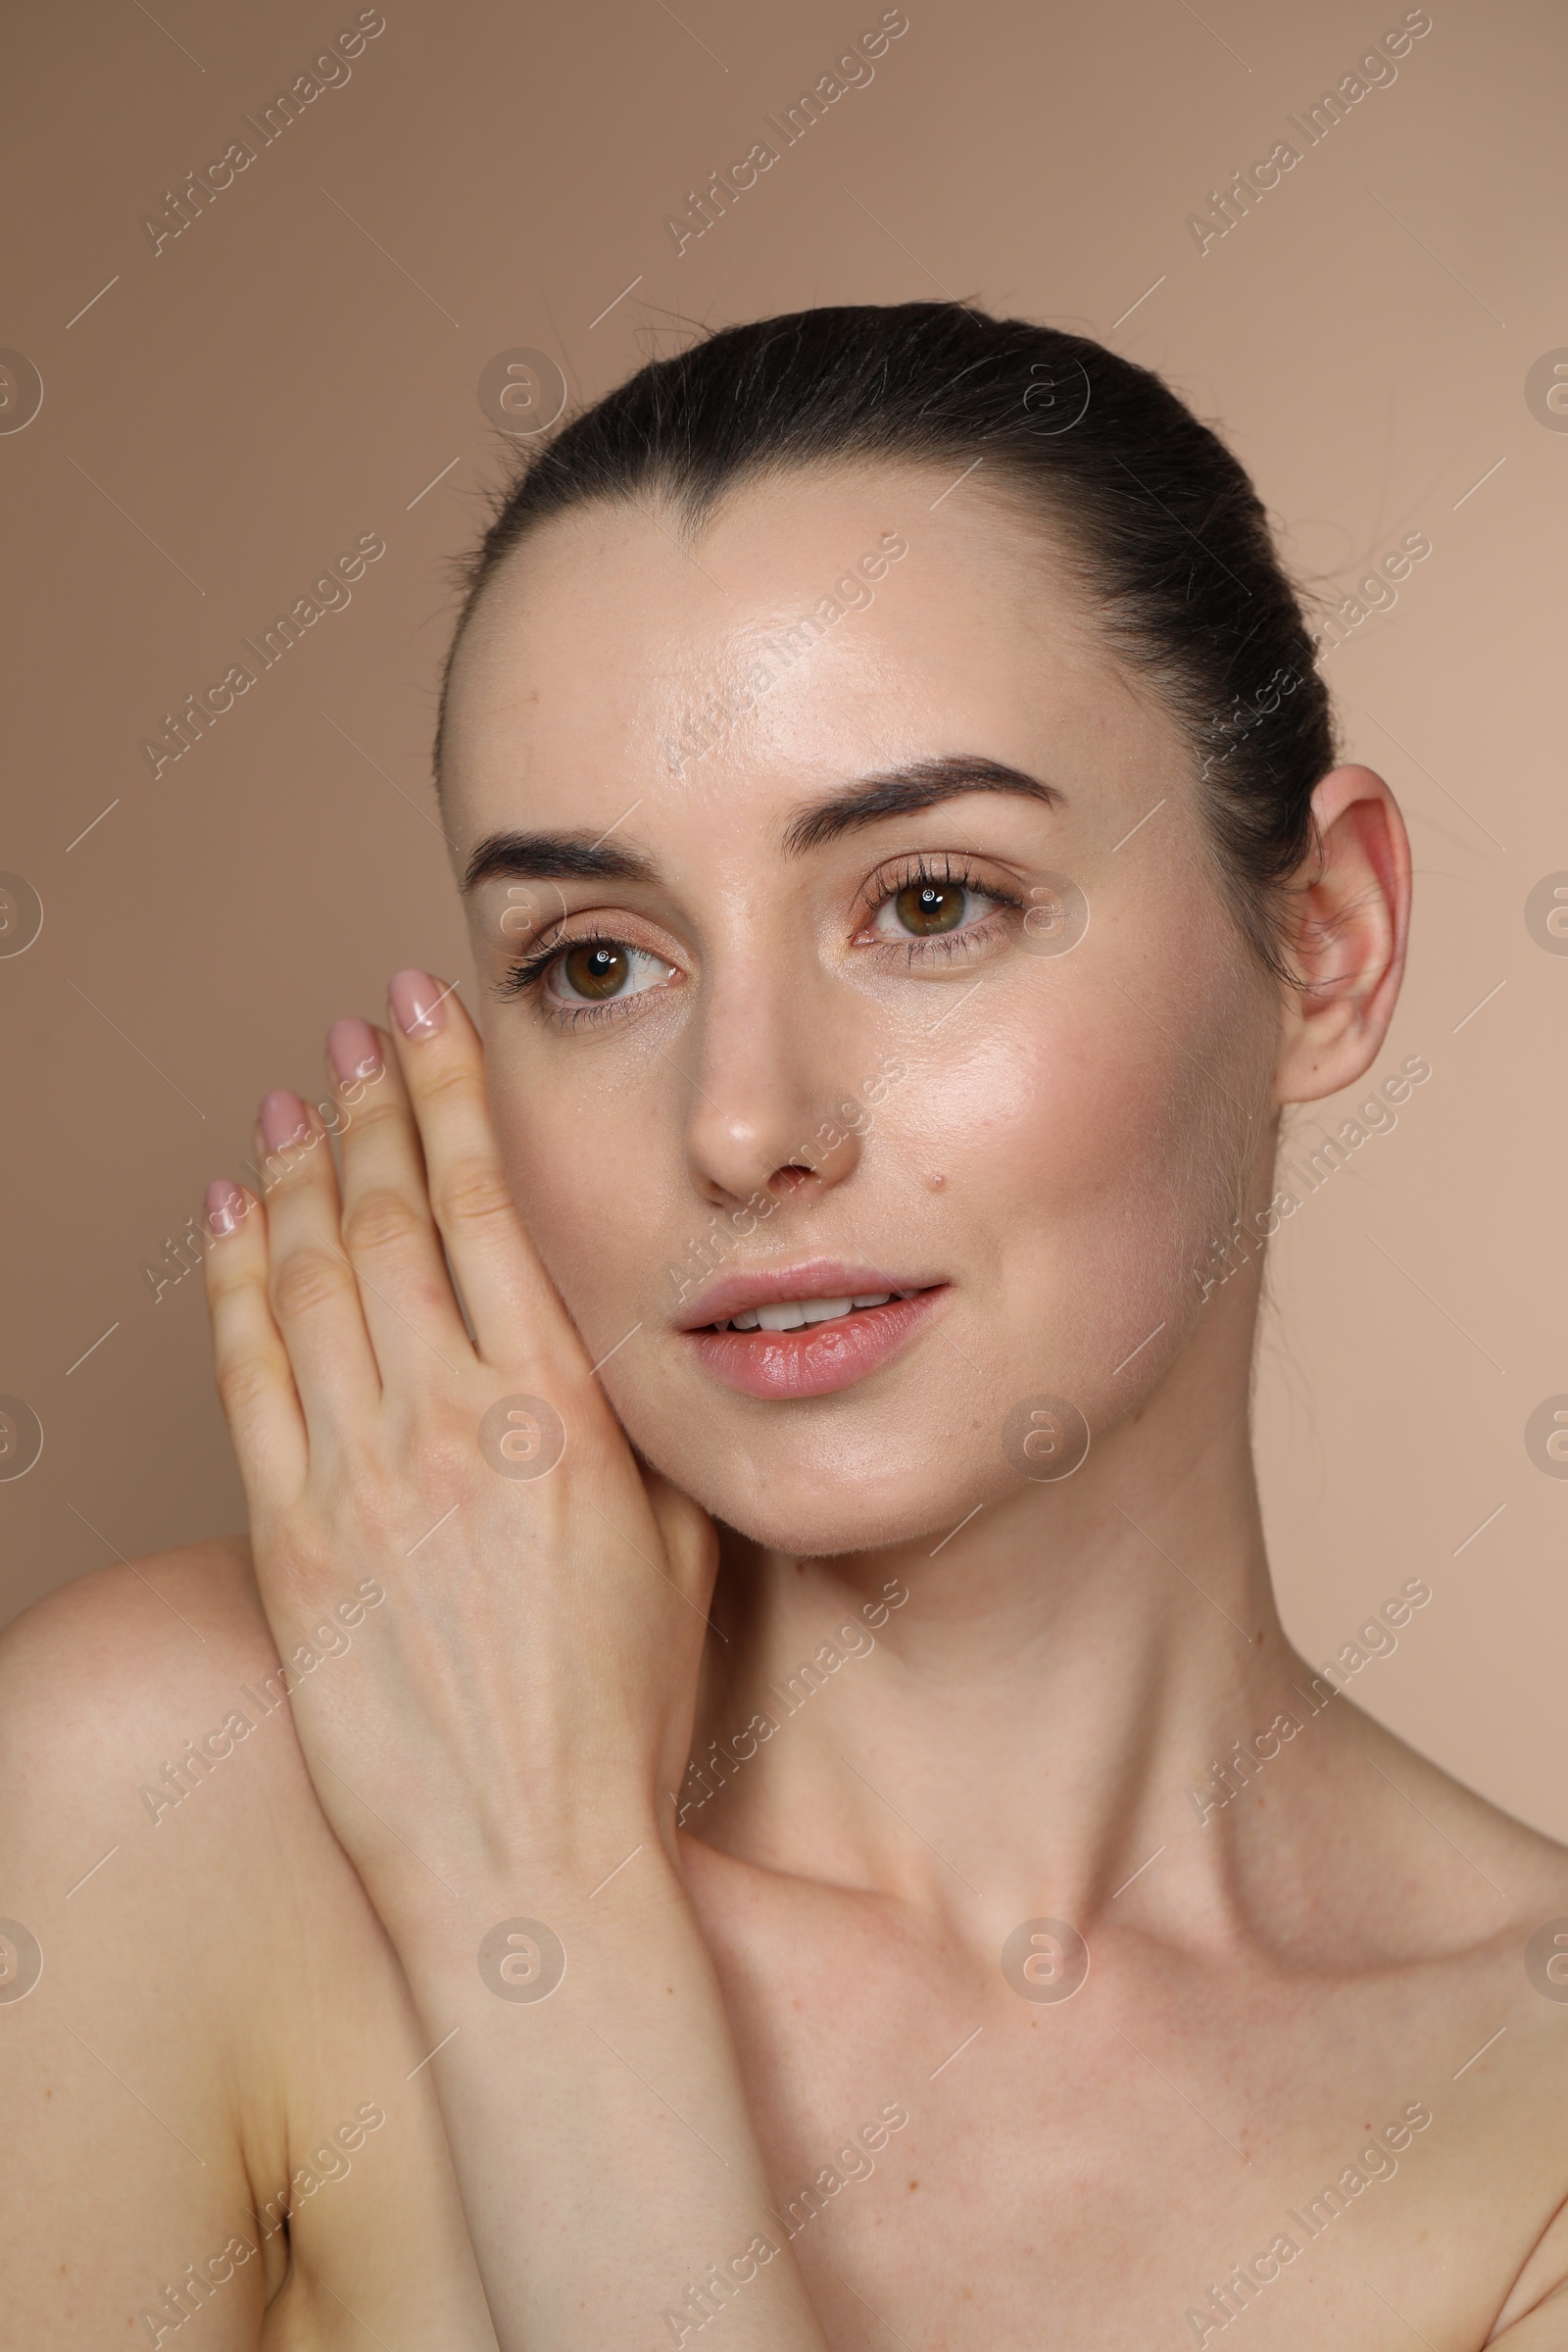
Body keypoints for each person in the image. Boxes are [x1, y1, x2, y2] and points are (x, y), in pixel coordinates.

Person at [4, 300, 1566, 2349]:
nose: (742, 1124)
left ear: (1326, 940)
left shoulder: (1514, 2115)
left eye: (928, 903)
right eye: (591, 963)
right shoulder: (165, 1794)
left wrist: (539, 1916)